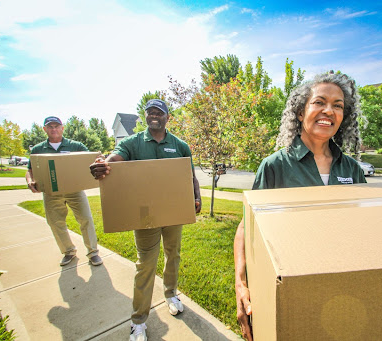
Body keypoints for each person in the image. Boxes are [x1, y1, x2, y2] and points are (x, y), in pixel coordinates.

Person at [233, 71, 366, 340]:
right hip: (290, 285)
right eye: (319, 102)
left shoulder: (352, 169)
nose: (329, 110)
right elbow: (248, 228)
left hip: (343, 287)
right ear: (299, 111)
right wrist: (241, 283)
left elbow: (362, 229)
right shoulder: (275, 166)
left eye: (338, 105)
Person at [89, 99, 202, 341]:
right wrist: (103, 166)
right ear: (145, 116)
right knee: (145, 264)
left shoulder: (180, 145)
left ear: (167, 118)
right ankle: (138, 320)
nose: (154, 115)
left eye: (158, 112)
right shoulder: (132, 143)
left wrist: (196, 196)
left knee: (174, 253)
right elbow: (114, 159)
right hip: (146, 215)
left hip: (173, 212)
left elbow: (189, 174)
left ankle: (171, 293)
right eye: (150, 112)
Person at [26, 116, 102, 267]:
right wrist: (30, 181)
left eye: (56, 126)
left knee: (86, 219)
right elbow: (30, 169)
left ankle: (93, 253)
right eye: (50, 127)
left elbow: (91, 160)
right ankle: (69, 252)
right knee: (55, 222)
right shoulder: (38, 149)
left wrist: (99, 159)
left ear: (62, 128)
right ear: (45, 129)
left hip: (74, 190)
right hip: (50, 193)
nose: (54, 129)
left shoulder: (75, 146)